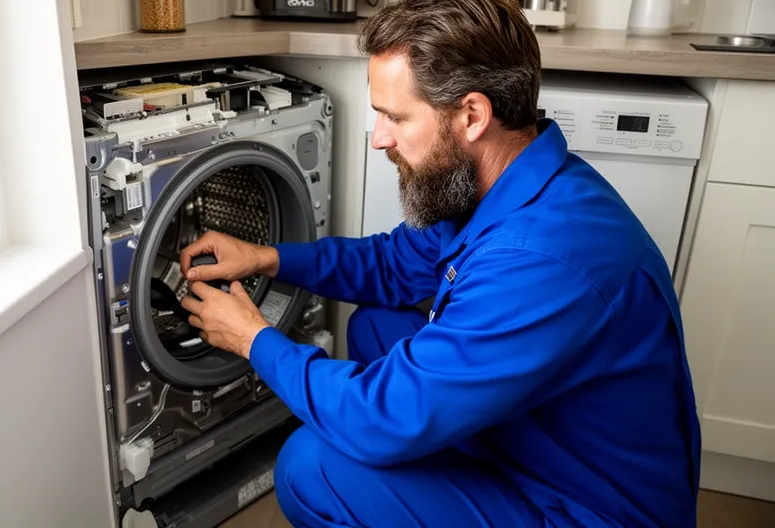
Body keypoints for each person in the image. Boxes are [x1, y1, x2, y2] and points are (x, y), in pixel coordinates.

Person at [178, 0, 701, 526]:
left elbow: (377, 418)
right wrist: (267, 257)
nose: (380, 137)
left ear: (471, 115)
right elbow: (390, 264)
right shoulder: (505, 181)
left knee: (309, 468)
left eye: (395, 116)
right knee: (377, 328)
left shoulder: (539, 259)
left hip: (582, 506)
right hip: (538, 438)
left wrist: (253, 338)